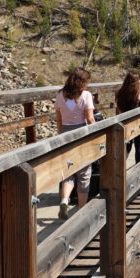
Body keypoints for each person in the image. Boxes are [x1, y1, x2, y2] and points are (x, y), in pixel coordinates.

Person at [54, 68, 95, 219]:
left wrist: (60, 135)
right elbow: (90, 119)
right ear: (82, 82)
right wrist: (95, 135)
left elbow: (59, 119)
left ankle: (65, 200)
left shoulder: (60, 95)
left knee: (68, 170)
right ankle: (82, 210)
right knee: (84, 172)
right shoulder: (86, 95)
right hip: (81, 134)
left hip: (65, 134)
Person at [116, 71, 140, 162]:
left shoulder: (119, 93)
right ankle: (138, 169)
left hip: (124, 124)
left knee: (126, 147)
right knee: (139, 147)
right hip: (138, 124)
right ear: (137, 81)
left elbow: (118, 110)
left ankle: (121, 168)